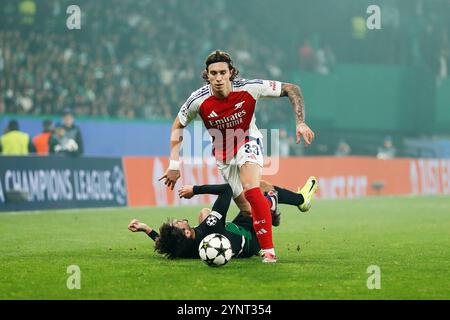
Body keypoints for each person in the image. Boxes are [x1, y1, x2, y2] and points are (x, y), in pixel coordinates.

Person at [159, 50, 316, 263]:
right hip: (224, 156)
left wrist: (300, 122)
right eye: (213, 73)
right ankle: (297, 200)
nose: (218, 77)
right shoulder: (198, 99)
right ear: (207, 75)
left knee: (252, 188)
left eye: (222, 72)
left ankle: (268, 251)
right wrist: (174, 164)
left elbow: (292, 89)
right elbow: (178, 125)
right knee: (250, 211)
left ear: (231, 73)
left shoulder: (249, 88)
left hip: (248, 141)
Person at [128, 178, 316, 260]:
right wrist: (195, 189)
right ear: (186, 232)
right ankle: (300, 200)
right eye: (176, 223)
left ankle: (267, 211)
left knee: (204, 211)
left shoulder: (185, 249)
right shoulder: (210, 228)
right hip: (250, 235)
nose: (177, 220)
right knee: (259, 187)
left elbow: (166, 245)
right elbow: (227, 189)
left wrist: (147, 229)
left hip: (237, 234)